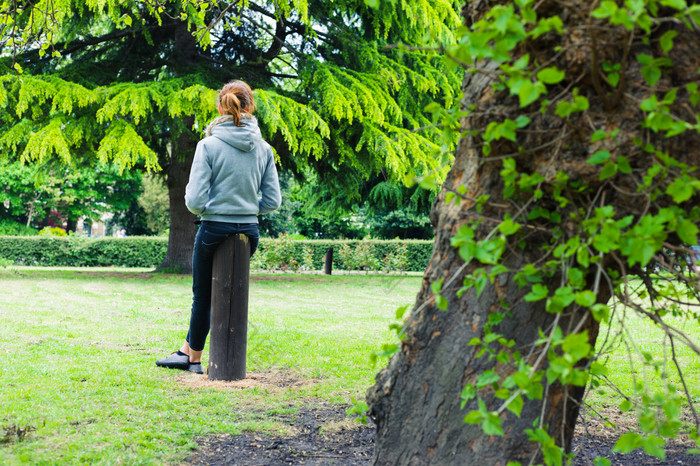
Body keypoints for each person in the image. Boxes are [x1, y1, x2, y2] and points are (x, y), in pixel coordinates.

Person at [156, 80, 281, 375]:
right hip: (249, 232)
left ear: (221, 107)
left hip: (213, 229)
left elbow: (195, 200)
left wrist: (213, 209)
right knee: (228, 289)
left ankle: (194, 360)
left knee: (204, 294)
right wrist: (248, 209)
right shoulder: (263, 148)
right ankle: (186, 350)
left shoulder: (208, 145)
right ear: (250, 106)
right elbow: (273, 200)